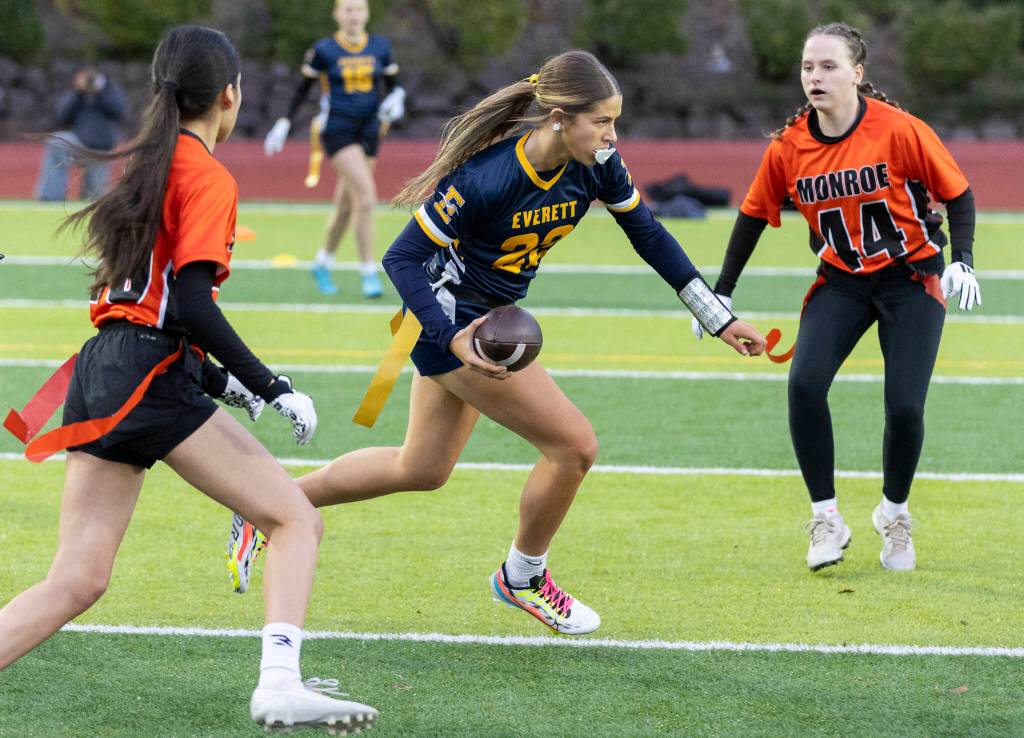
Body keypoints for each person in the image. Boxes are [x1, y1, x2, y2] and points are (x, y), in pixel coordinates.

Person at [231, 50, 766, 636]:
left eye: (615, 121)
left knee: (422, 468)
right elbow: (402, 257)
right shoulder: (488, 176)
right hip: (449, 320)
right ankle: (523, 577)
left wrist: (716, 318)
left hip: (481, 321)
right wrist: (451, 336)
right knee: (575, 447)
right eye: (603, 121)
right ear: (560, 117)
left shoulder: (598, 163)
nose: (613, 134)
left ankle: (268, 506)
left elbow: (649, 235)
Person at [0, 26, 378, 733]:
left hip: (108, 369)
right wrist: (268, 384)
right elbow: (193, 300)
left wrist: (219, 382)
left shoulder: (144, 166)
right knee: (295, 517)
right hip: (147, 376)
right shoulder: (204, 174)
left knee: (77, 579)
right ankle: (278, 684)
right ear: (228, 95)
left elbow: (152, 306)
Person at [693, 22, 980, 573]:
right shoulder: (789, 145)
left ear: (858, 73)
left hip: (911, 276)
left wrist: (963, 258)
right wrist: (719, 296)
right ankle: (826, 518)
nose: (815, 77)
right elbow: (752, 216)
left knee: (904, 405)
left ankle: (893, 514)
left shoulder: (899, 130)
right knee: (803, 384)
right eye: (807, 67)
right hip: (843, 280)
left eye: (828, 66)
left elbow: (959, 193)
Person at [263, 0, 405, 298]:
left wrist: (397, 99)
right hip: (338, 129)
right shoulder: (325, 50)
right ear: (337, 14)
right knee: (366, 198)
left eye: (359, 9)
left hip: (370, 129)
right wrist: (285, 122)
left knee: (345, 205)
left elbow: (394, 85)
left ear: (367, 13)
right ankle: (368, 271)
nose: (353, 15)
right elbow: (303, 89)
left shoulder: (380, 46)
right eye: (348, 9)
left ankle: (322, 262)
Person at [35, 66, 126, 201]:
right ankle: (50, 197)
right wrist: (78, 93)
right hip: (79, 142)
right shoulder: (78, 95)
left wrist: (100, 91)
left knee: (95, 197)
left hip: (101, 148)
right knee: (57, 142)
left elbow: (119, 111)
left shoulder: (110, 89)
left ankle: (89, 197)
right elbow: (62, 116)